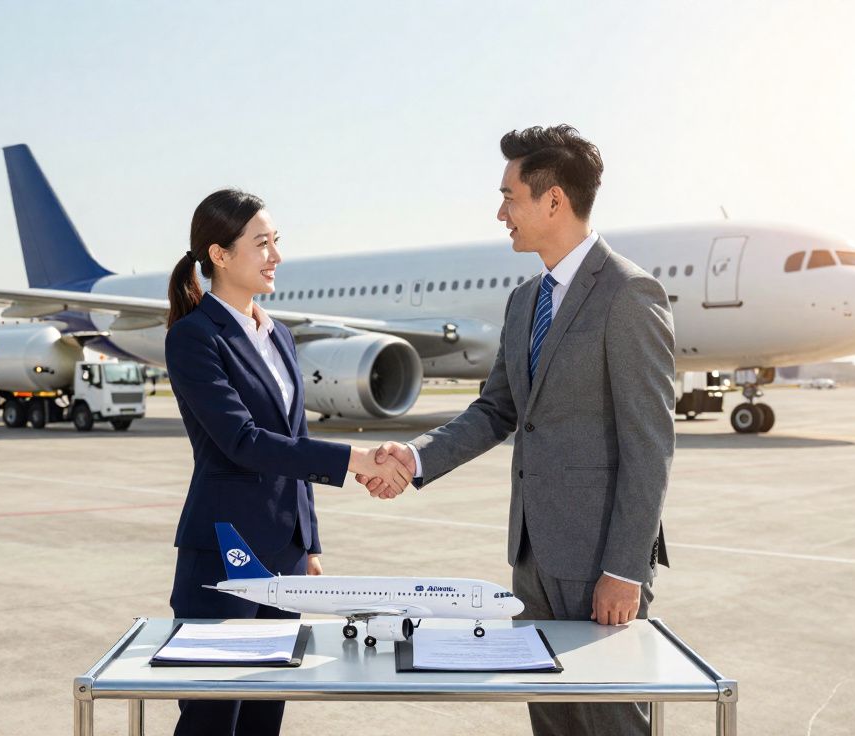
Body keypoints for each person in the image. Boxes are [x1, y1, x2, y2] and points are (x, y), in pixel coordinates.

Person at [360, 126, 675, 736]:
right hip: (531, 556)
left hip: (599, 562)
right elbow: (497, 410)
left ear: (552, 201)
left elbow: (650, 443)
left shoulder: (629, 294)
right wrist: (415, 455)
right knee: (552, 722)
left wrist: (626, 569)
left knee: (609, 723)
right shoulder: (524, 300)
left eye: (509, 196)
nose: (500, 211)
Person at [164, 188, 410, 736]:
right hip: (225, 552)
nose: (275, 255)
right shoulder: (194, 337)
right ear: (220, 255)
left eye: (276, 242)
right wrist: (355, 459)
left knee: (265, 709)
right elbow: (242, 441)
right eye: (261, 244)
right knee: (211, 714)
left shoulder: (277, 334)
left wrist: (310, 542)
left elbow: (294, 437)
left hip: (285, 553)